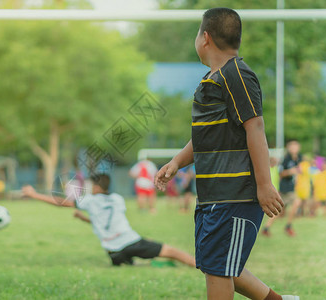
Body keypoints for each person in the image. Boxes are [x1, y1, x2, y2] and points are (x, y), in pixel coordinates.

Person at [154, 8, 298, 300]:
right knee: (217, 265)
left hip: (236, 194)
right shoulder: (211, 80)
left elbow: (254, 127)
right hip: (212, 194)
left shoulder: (238, 75)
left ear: (204, 38)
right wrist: (177, 162)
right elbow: (205, 137)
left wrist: (264, 184)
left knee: (220, 268)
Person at [22, 173, 195, 267]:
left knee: (132, 263)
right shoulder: (117, 199)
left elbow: (60, 202)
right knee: (171, 251)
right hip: (131, 242)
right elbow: (109, 220)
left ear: (96, 187)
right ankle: (197, 264)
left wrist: (33, 194)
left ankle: (138, 263)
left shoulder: (88, 201)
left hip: (114, 253)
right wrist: (84, 219)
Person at [262, 140, 302, 237]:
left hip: (291, 188)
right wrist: (290, 172)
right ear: (289, 148)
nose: (295, 149)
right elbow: (281, 173)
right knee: (296, 202)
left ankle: (266, 228)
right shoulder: (286, 159)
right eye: (293, 147)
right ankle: (288, 226)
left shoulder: (297, 158)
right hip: (285, 189)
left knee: (279, 210)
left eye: (296, 147)